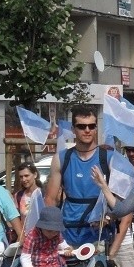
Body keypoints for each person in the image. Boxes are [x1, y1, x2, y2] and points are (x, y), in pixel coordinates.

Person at [45, 105, 114, 247]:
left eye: (91, 126)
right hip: (68, 232)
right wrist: (52, 234)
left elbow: (121, 199)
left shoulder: (109, 158)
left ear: (96, 128)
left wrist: (109, 217)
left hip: (99, 233)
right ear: (73, 129)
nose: (87, 130)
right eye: (82, 126)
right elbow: (50, 199)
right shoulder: (61, 158)